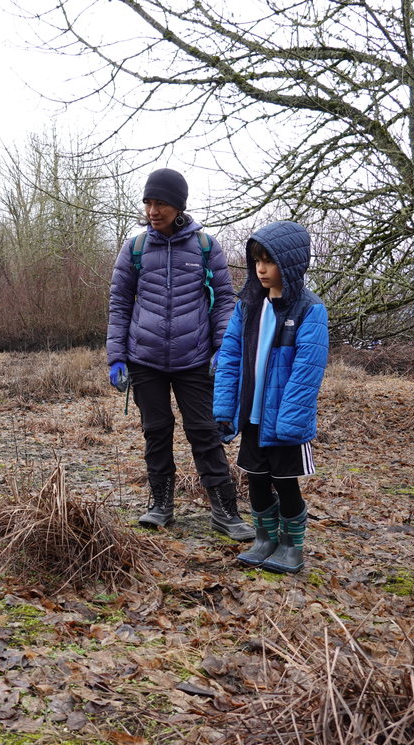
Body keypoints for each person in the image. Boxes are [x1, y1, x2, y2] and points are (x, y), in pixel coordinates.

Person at [107, 168, 252, 540]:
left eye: (161, 203)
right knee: (156, 432)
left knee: (205, 433)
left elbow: (223, 302)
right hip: (146, 359)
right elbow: (120, 303)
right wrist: (117, 356)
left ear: (178, 205)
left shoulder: (205, 246)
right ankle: (160, 505)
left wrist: (222, 348)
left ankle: (225, 511)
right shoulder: (135, 248)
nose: (153, 210)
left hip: (195, 359)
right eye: (149, 202)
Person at [212, 222, 329, 573]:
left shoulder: (309, 310)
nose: (261, 268)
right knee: (256, 479)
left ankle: (291, 545)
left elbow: (307, 371)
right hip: (251, 416)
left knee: (285, 484)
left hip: (284, 420)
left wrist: (290, 422)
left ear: (290, 264)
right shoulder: (248, 306)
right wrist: (224, 408)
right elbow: (230, 357)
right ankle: (264, 539)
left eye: (270, 261)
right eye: (257, 260)